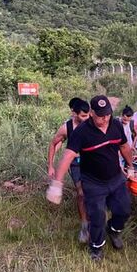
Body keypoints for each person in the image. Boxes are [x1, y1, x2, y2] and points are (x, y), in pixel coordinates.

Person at [46, 95, 135, 261]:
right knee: (97, 217)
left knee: (124, 210)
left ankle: (114, 231)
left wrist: (130, 167)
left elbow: (124, 146)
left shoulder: (116, 125)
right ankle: (96, 247)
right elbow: (67, 156)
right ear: (92, 113)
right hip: (93, 183)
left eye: (107, 114)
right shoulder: (82, 132)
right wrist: (57, 183)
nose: (105, 118)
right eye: (101, 115)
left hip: (116, 178)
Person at [47, 99, 91, 243]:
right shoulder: (66, 128)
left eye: (88, 115)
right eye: (83, 116)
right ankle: (85, 225)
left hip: (92, 161)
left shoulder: (92, 123)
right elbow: (54, 144)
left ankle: (95, 221)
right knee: (81, 192)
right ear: (74, 113)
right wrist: (51, 166)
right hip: (76, 163)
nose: (86, 118)